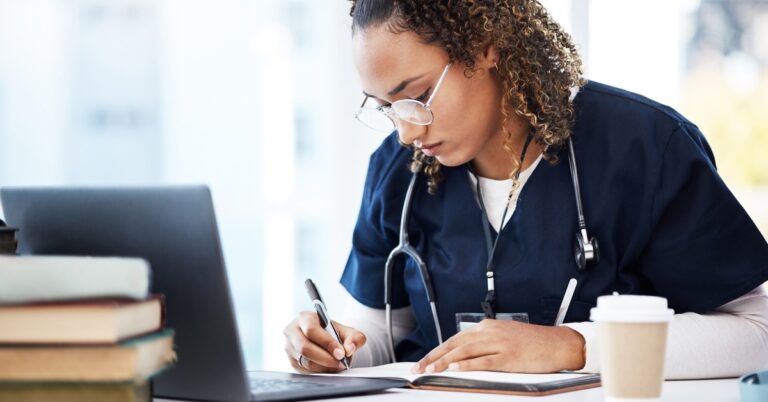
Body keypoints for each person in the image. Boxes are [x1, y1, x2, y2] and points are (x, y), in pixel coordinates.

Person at [283, 0, 768, 378]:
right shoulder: (398, 169)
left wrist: (574, 346)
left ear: (487, 45)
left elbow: (758, 333)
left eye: (417, 96)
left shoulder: (643, 149)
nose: (407, 131)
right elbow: (382, 335)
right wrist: (333, 349)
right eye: (386, 107)